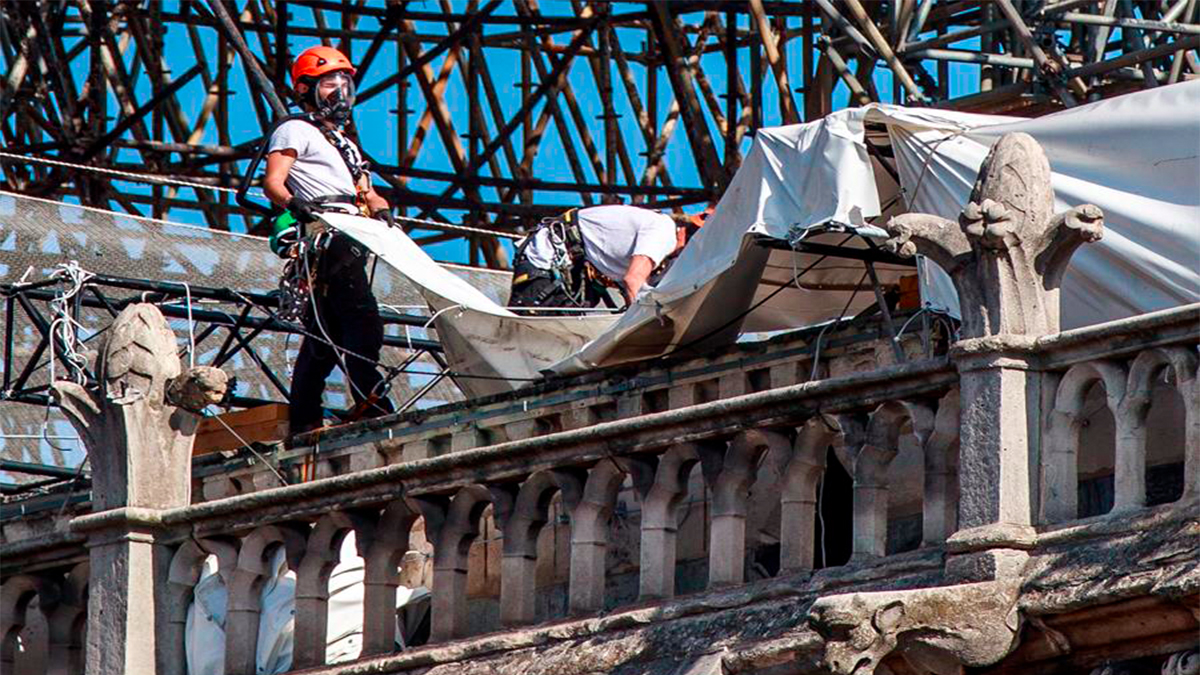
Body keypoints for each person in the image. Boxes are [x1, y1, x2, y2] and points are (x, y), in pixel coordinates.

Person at [261, 45, 396, 436]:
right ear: (305, 89)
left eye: (343, 82)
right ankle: (372, 403)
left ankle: (303, 416)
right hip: (328, 235)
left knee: (325, 334)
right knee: (361, 320)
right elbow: (273, 181)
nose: (339, 90)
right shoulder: (294, 130)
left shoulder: (346, 144)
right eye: (328, 83)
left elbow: (366, 191)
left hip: (354, 231)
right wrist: (295, 205)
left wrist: (381, 208)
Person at [508, 204, 709, 314]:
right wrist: (644, 328)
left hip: (571, 266)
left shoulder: (660, 244)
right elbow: (633, 281)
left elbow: (632, 289)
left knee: (562, 329)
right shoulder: (663, 233)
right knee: (528, 325)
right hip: (548, 258)